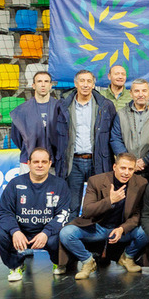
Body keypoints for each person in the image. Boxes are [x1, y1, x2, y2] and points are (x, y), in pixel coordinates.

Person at [60, 152, 149, 279]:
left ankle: (127, 257)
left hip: (121, 229)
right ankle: (88, 261)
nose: (126, 173)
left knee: (146, 231)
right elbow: (87, 210)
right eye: (123, 168)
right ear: (114, 167)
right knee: (66, 233)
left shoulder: (141, 183)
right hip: (98, 228)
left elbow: (137, 214)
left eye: (130, 169)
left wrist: (122, 228)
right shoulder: (96, 181)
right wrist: (110, 201)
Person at [0, 148, 71, 281]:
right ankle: (16, 265)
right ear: (28, 163)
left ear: (50, 163)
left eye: (44, 162)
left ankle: (59, 261)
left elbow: (63, 214)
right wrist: (15, 231)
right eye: (36, 161)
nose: (40, 165)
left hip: (47, 234)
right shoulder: (15, 184)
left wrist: (46, 232)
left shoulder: (60, 185)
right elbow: (4, 212)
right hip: (21, 233)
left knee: (64, 236)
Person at [62, 70, 125, 217]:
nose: (85, 84)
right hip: (74, 162)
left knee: (100, 202)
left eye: (89, 81)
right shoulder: (64, 106)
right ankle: (70, 236)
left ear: (94, 84)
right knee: (72, 205)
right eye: (82, 81)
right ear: (76, 84)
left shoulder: (106, 105)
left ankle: (98, 237)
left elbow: (113, 134)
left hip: (97, 160)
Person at [10, 70, 68, 175]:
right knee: (28, 190)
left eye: (46, 81)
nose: (43, 84)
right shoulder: (22, 110)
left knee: (52, 191)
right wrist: (30, 145)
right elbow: (17, 137)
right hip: (28, 160)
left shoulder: (61, 107)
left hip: (54, 161)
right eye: (39, 81)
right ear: (33, 85)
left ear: (50, 85)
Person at [118, 79, 149, 177]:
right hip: (128, 170)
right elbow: (115, 139)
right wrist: (128, 161)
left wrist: (146, 160)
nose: (140, 94)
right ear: (131, 94)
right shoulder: (121, 114)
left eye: (144, 91)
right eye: (136, 91)